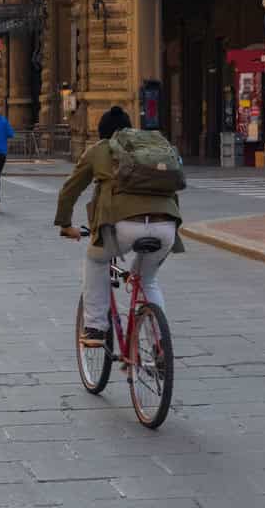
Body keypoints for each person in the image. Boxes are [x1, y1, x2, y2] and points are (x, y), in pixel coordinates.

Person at [54, 106, 182, 346]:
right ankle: (159, 346)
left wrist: (65, 224)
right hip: (166, 225)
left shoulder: (100, 149)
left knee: (95, 260)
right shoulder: (152, 148)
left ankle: (95, 328)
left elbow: (70, 190)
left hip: (123, 225)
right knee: (147, 280)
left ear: (103, 133)